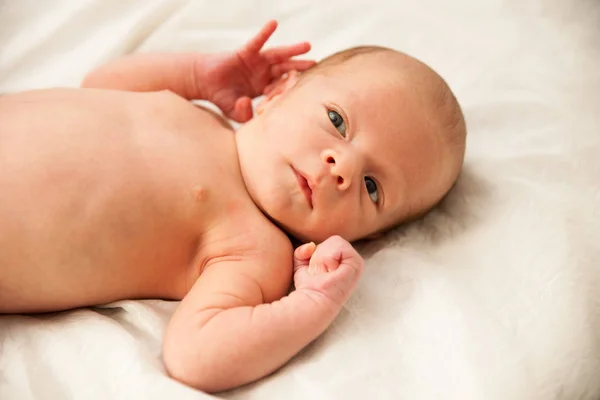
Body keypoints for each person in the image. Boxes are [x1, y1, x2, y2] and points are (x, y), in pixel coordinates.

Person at [0, 20, 465, 392]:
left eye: (371, 186)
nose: (340, 165)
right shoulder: (197, 112)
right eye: (337, 121)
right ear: (281, 90)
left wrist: (314, 302)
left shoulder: (253, 249)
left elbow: (195, 356)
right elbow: (99, 86)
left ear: (370, 235)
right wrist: (197, 76)